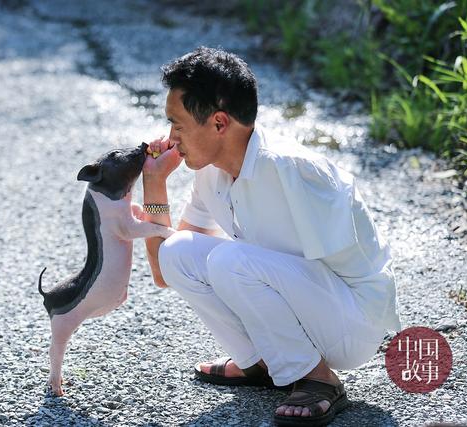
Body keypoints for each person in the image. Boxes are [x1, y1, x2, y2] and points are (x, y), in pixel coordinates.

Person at [138, 46, 401, 426]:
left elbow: (348, 275)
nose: (171, 137)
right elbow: (166, 269)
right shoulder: (211, 173)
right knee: (180, 251)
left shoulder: (294, 170)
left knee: (231, 260)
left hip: (352, 321)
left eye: (177, 125)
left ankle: (317, 378)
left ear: (218, 123)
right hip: (302, 299)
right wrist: (154, 183)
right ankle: (261, 364)